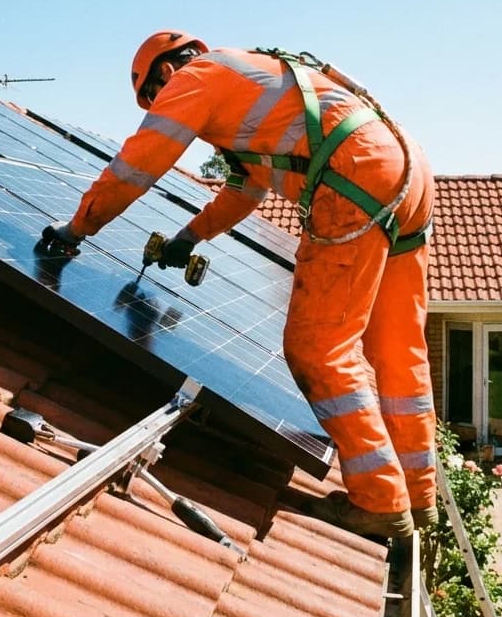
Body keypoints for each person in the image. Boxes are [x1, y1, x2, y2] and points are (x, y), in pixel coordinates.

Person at [42, 31, 437, 538]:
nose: (161, 105)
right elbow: (243, 191)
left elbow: (138, 166)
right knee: (397, 348)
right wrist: (189, 237)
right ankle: (419, 493)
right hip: (409, 169)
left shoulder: (195, 79)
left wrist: (78, 228)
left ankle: (380, 500)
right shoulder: (251, 83)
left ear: (164, 73)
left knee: (318, 348)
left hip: (355, 170)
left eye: (154, 99)